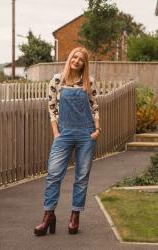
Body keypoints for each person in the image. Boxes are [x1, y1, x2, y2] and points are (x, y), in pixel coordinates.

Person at [34, 47, 101, 236]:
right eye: (74, 57)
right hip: (63, 134)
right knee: (54, 174)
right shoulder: (57, 80)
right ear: (70, 58)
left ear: (84, 64)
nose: (77, 60)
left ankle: (75, 215)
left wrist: (97, 130)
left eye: (81, 59)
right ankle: (48, 216)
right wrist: (56, 133)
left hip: (86, 134)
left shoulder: (89, 82)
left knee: (81, 177)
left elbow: (94, 106)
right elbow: (52, 108)